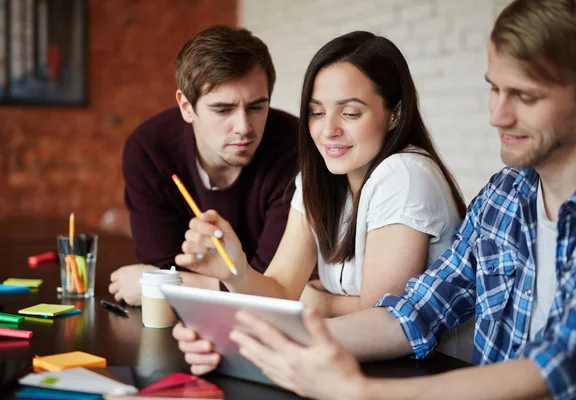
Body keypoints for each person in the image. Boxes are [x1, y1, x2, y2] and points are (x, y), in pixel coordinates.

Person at [175, 0, 576, 398]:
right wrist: (244, 342)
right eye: (494, 90)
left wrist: (362, 391)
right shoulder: (503, 198)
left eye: (525, 96)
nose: (497, 116)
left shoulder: (405, 173)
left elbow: (567, 360)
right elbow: (413, 313)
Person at [174, 29, 475, 362]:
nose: (328, 129)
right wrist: (237, 271)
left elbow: (378, 318)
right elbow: (282, 291)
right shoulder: (317, 179)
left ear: (395, 113)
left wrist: (320, 301)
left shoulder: (403, 173)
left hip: (424, 375)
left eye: (350, 113)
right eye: (317, 112)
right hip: (345, 365)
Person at [109, 25, 298, 306]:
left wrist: (163, 284)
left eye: (257, 107)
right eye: (223, 110)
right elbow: (162, 262)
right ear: (186, 107)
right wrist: (233, 284)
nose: (244, 127)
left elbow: (273, 287)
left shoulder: (294, 145)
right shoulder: (149, 148)